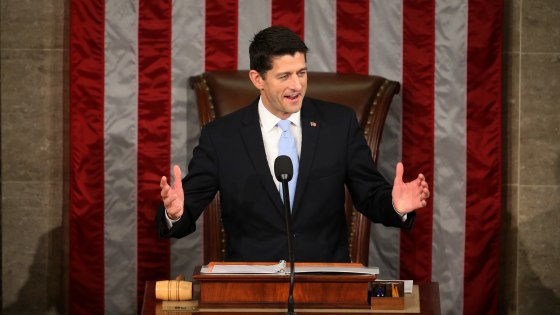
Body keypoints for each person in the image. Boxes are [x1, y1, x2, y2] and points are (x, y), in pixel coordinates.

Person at [156, 26, 429, 262]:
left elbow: (370, 195)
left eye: (302, 72)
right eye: (284, 76)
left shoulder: (339, 124)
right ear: (257, 79)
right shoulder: (221, 137)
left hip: (326, 282)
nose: (297, 85)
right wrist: (175, 212)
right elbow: (187, 207)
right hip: (251, 283)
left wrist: (396, 206)